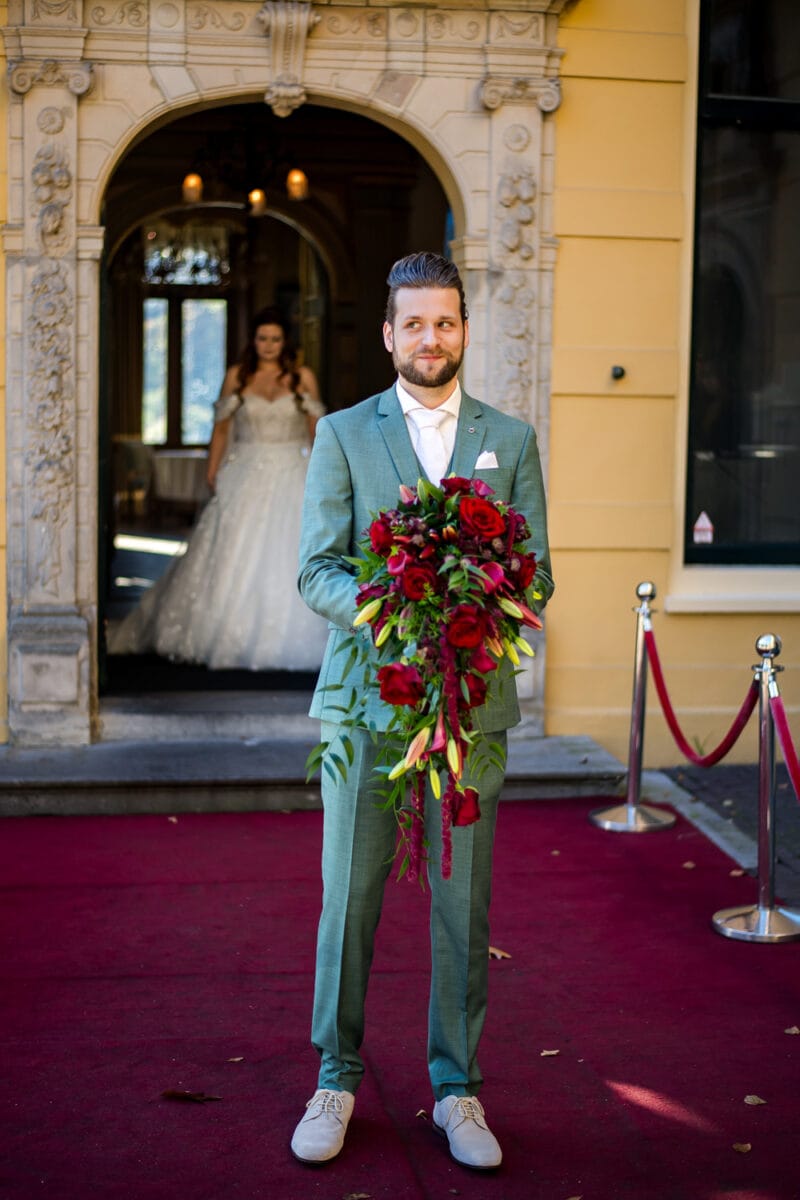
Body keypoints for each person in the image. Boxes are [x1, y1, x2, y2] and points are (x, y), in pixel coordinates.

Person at [292, 252, 554, 1170]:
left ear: (465, 329)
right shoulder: (343, 434)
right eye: (414, 324)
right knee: (349, 900)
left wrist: (483, 604)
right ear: (390, 333)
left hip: (474, 709)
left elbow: (540, 574)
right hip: (368, 704)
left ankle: (459, 1090)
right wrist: (393, 612)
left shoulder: (509, 439)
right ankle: (335, 1075)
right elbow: (315, 566)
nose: (430, 339)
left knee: (462, 903)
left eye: (445, 323)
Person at [107, 307, 329, 671]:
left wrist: (322, 472)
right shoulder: (237, 377)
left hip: (293, 470)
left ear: (285, 341)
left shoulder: (302, 377)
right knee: (232, 547)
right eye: (262, 338)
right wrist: (213, 469)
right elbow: (222, 429)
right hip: (245, 470)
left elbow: (316, 429)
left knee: (285, 547)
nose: (269, 346)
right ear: (253, 341)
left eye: (275, 339)